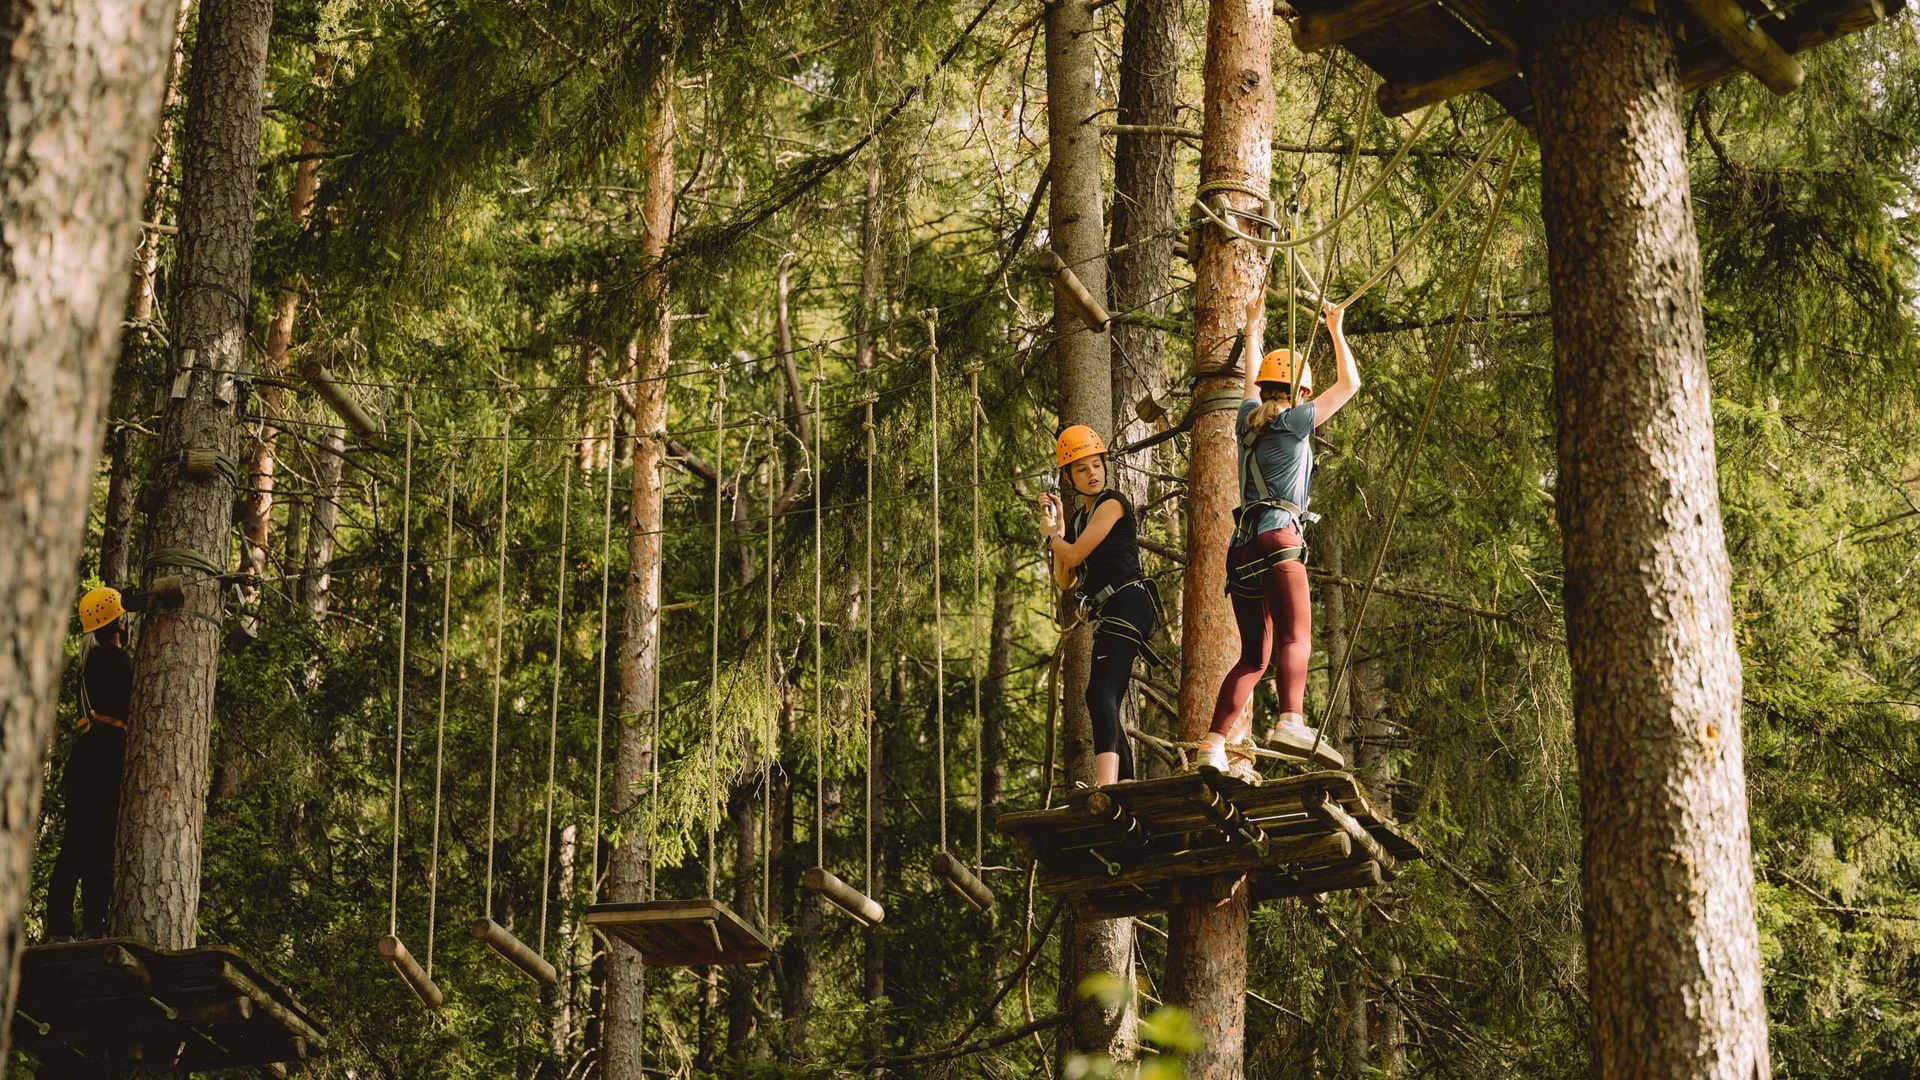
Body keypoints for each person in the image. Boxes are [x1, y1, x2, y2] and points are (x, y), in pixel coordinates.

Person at [1201, 295, 1362, 775]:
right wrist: (1335, 329)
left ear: (1265, 389)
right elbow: (1350, 384)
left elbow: (1250, 381)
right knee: (1296, 636)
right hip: (1279, 538)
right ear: (1302, 392)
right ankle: (1291, 719)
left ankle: (1212, 745)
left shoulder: (1246, 421)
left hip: (1242, 549)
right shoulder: (1296, 421)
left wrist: (1252, 328)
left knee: (1254, 657)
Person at [1038, 425, 1157, 787]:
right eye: (1081, 468)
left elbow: (1073, 554)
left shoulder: (1112, 504)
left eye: (1096, 465)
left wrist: (1053, 538)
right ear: (1069, 477)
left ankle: (1107, 785)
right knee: (1104, 694)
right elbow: (1066, 579)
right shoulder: (1078, 520)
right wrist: (1059, 528)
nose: (1092, 473)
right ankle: (1124, 783)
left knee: (1100, 692)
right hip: (1112, 610)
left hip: (1129, 601)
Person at [47, 587, 134, 939]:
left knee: (82, 844)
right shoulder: (111, 660)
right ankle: (86, 925)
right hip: (101, 761)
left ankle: (70, 925)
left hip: (89, 760)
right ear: (117, 624)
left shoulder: (95, 662)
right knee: (93, 846)